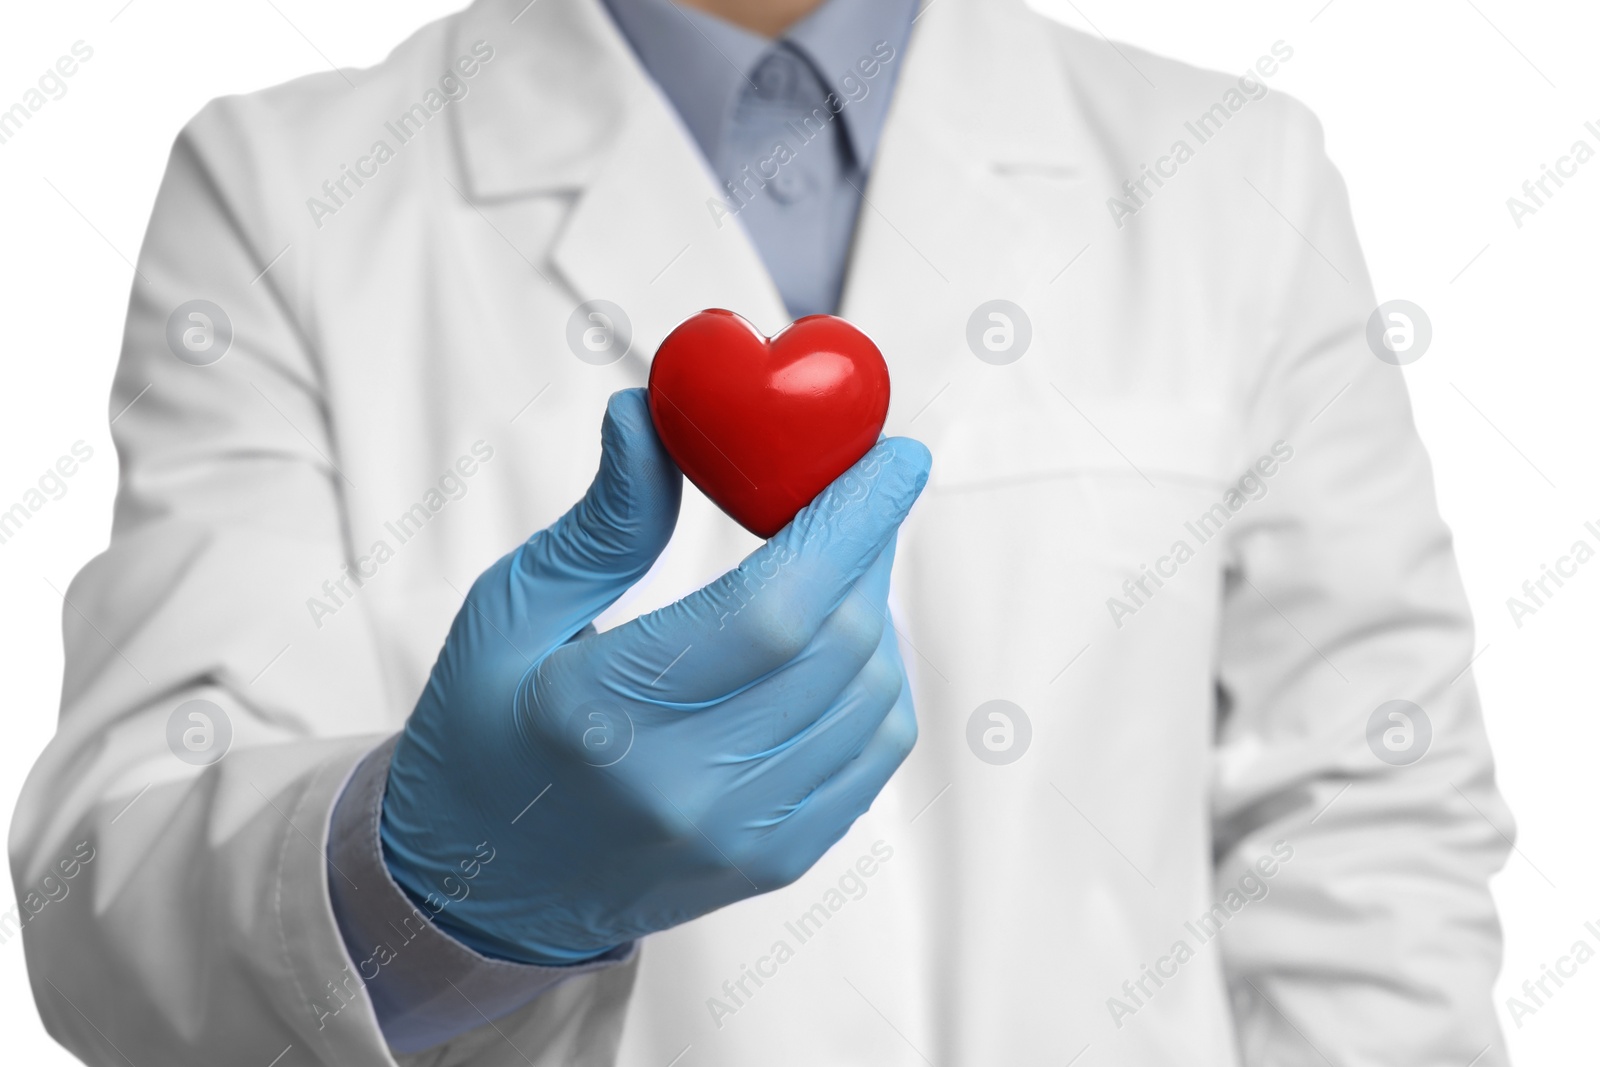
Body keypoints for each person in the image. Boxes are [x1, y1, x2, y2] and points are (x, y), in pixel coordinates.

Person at [12, 0, 1514, 1063]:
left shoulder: (1235, 175)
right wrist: (421, 887)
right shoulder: (285, 193)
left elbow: (1369, 820)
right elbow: (108, 870)